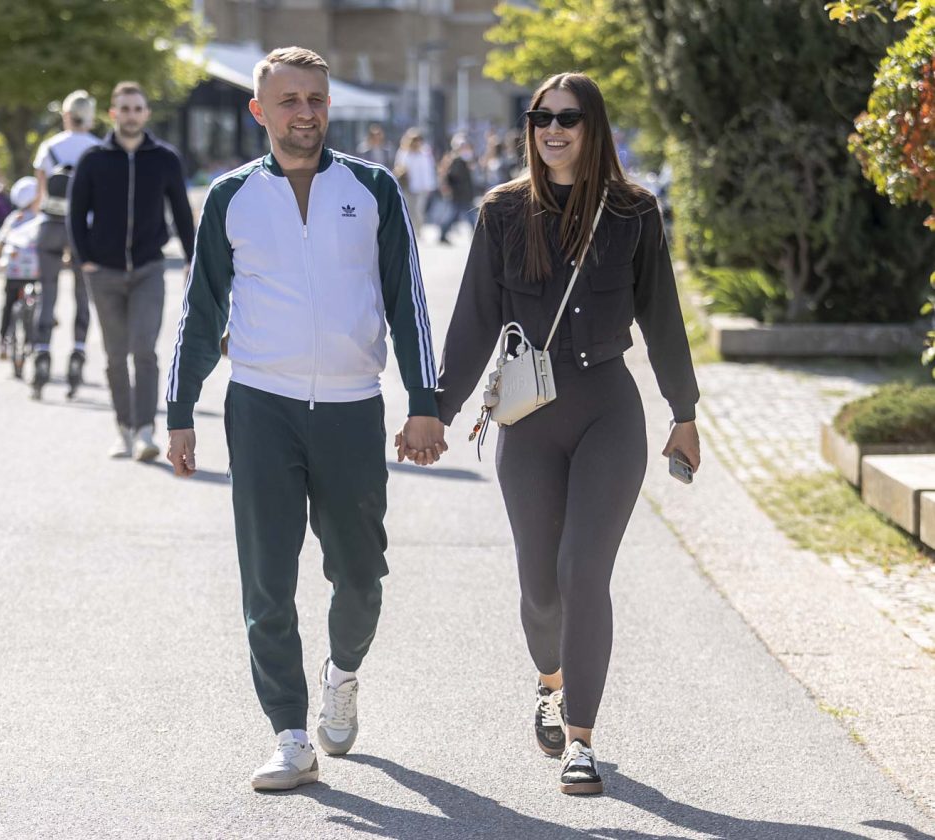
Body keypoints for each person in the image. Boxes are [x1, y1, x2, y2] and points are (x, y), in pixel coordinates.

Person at [164, 47, 446, 792]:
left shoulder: (374, 189)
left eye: (315, 99)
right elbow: (201, 309)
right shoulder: (231, 197)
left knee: (360, 576)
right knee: (267, 581)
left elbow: (407, 302)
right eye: (288, 100)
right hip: (260, 406)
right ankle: (289, 731)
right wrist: (179, 409)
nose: (305, 113)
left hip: (353, 409)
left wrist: (424, 403)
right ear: (260, 111)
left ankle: (342, 672)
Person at [432, 72, 701, 797]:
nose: (553, 128)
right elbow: (474, 322)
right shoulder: (502, 213)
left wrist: (684, 412)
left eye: (568, 117)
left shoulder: (633, 212)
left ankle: (581, 737)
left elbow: (663, 316)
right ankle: (548, 682)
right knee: (541, 585)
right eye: (541, 117)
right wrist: (436, 408)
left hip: (609, 411)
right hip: (531, 420)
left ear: (594, 125)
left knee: (585, 573)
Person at [67, 81, 196, 461]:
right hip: (103, 271)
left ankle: (145, 431)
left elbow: (182, 213)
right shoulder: (93, 159)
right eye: (124, 108)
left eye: (137, 108)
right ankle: (122, 428)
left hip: (148, 269)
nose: (131, 115)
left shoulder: (165, 158)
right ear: (112, 114)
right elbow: (76, 213)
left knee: (144, 350)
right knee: (114, 354)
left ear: (146, 114)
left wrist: (193, 258)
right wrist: (84, 258)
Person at [30, 90, 101, 398]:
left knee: (48, 292)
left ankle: (43, 354)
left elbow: (39, 194)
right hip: (83, 231)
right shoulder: (98, 148)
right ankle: (78, 352)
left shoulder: (50, 147)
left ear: (65, 115)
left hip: (50, 226)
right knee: (81, 295)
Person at [0, 176, 43, 358]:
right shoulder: (40, 218)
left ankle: (3, 341)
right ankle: (35, 340)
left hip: (13, 269)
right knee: (40, 299)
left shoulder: (14, 218)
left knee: (8, 303)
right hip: (36, 270)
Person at [393, 128, 436, 235]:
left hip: (421, 187)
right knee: (408, 209)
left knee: (418, 209)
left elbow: (429, 170)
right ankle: (409, 230)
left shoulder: (425, 153)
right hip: (407, 185)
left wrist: (430, 185)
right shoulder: (403, 153)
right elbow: (398, 166)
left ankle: (418, 230)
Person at [436, 133, 477, 245]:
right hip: (459, 193)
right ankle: (443, 234)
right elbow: (454, 176)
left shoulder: (463, 160)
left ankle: (443, 235)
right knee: (462, 215)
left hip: (463, 193)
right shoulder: (457, 160)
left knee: (461, 215)